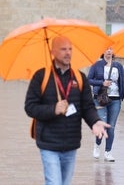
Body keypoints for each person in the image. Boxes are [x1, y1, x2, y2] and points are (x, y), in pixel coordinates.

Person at [24, 36, 110, 185]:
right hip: (48, 143)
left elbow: (87, 107)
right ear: (53, 51)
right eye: (63, 49)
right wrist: (53, 109)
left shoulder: (80, 77)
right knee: (54, 182)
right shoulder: (41, 76)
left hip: (71, 142)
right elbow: (30, 107)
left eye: (70, 49)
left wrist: (95, 121)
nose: (68, 53)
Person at [87, 47, 124, 162]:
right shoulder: (96, 65)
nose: (109, 51)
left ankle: (108, 152)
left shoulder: (118, 66)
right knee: (102, 125)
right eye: (106, 49)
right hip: (100, 98)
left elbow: (122, 81)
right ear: (103, 51)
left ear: (113, 52)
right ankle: (97, 145)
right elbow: (89, 79)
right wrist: (102, 82)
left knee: (111, 127)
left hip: (115, 99)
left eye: (111, 49)